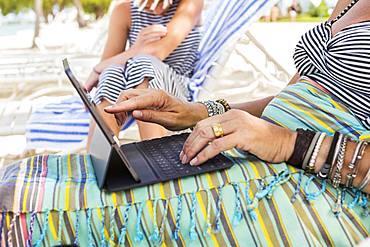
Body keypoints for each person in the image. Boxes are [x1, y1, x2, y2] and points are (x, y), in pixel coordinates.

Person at [105, 0, 370, 194]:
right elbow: (292, 96)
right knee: (98, 179)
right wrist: (196, 112)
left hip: (320, 190)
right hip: (255, 157)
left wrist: (287, 143)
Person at [85, 0, 203, 142]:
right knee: (111, 72)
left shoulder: (190, 3)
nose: (155, 7)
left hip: (177, 88)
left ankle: (157, 156)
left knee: (143, 62)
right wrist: (136, 49)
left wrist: (98, 68)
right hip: (131, 89)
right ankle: (98, 160)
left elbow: (157, 52)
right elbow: (107, 64)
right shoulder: (124, 11)